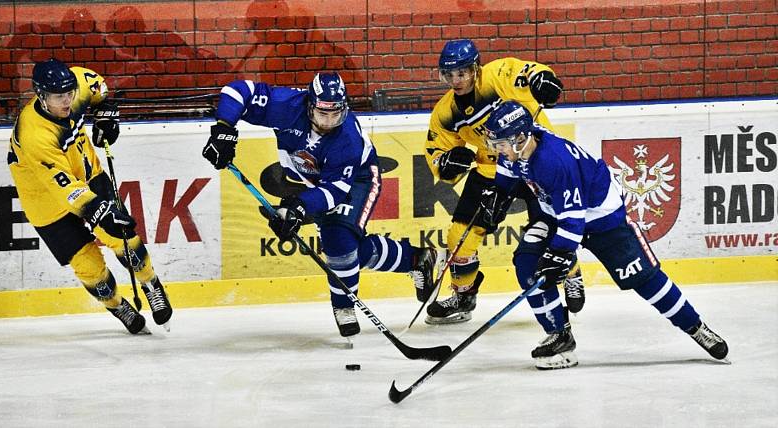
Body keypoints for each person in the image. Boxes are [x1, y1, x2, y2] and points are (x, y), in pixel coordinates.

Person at [480, 100, 729, 369]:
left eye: (501, 144)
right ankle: (559, 336)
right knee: (528, 262)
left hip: (601, 217)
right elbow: (508, 170)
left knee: (642, 278)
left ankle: (695, 327)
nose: (498, 150)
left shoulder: (553, 163)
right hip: (557, 213)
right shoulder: (520, 146)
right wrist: (499, 192)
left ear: (520, 138)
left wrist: (561, 253)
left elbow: (573, 220)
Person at [202, 72, 442, 337]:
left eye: (335, 114)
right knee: (345, 250)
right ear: (309, 105)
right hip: (309, 179)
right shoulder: (287, 105)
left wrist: (298, 208)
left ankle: (344, 305)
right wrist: (225, 128)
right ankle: (416, 258)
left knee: (338, 240)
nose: (329, 122)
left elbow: (336, 190)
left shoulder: (347, 139)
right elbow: (238, 91)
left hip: (358, 180)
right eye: (322, 114)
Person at [423, 39, 585, 325]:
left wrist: (542, 79)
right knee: (459, 237)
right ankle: (463, 296)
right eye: (449, 75)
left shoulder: (497, 76)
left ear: (475, 68)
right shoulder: (446, 111)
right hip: (493, 166)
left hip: (535, 159)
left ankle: (571, 273)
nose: (456, 80)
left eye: (462, 73)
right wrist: (447, 165)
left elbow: (526, 72)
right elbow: (437, 152)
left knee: (552, 229)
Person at [7, 58, 173, 334]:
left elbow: (98, 87)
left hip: (88, 174)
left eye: (70, 93)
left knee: (124, 238)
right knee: (90, 269)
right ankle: (117, 305)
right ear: (41, 95)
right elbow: (66, 189)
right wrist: (99, 212)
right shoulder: (35, 134)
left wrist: (106, 110)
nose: (67, 101)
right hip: (46, 201)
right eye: (59, 96)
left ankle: (151, 283)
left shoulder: (78, 85)